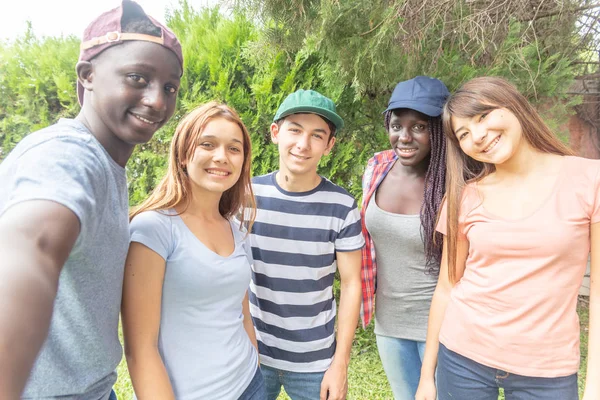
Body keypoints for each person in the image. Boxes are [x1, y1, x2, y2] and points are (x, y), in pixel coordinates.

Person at [0, 1, 183, 399]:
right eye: (137, 77)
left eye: (170, 87)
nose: (157, 101)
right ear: (88, 76)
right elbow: (33, 249)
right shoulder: (68, 155)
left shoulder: (108, 163)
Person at [415, 76, 599, 400]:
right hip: (462, 359)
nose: (478, 136)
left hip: (547, 371)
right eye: (464, 134)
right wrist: (426, 377)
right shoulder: (465, 197)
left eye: (482, 116)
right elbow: (447, 286)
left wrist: (595, 388)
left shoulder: (589, 179)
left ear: (511, 103)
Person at [121, 102, 264, 400]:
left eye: (234, 149)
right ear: (184, 154)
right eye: (207, 144)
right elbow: (139, 350)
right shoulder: (154, 228)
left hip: (250, 383)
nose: (221, 157)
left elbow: (241, 309)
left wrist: (256, 360)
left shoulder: (235, 228)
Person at [249, 89, 364, 400]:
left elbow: (352, 284)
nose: (303, 144)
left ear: (329, 145)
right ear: (275, 132)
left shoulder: (342, 206)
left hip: (316, 360)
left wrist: (340, 364)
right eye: (295, 130)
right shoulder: (245, 197)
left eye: (317, 135)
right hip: (252, 355)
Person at [360, 76, 449, 399]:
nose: (405, 137)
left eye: (420, 127)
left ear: (439, 129)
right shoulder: (377, 167)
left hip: (442, 328)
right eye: (397, 125)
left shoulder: (453, 181)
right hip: (389, 322)